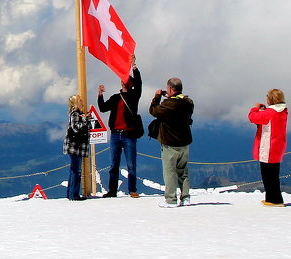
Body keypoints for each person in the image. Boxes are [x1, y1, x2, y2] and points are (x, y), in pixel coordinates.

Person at [97, 56, 143, 198]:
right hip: (116, 134)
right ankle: (112, 191)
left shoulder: (134, 95)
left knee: (131, 165)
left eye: (126, 80)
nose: (123, 81)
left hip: (128, 134)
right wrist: (100, 95)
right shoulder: (116, 97)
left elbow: (140, 83)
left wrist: (134, 66)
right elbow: (103, 108)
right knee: (114, 165)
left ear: (131, 84)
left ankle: (132, 190)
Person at [149, 76, 194, 206]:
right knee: (183, 171)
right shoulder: (188, 102)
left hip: (170, 144)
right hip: (185, 143)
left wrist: (157, 97)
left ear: (169, 88)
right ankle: (186, 197)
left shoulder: (168, 105)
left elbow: (153, 110)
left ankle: (171, 199)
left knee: (169, 172)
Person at [248, 89, 289, 206]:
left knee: (267, 174)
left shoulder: (269, 113)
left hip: (267, 146)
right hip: (278, 145)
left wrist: (255, 107)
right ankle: (274, 198)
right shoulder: (283, 111)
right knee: (274, 173)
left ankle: (273, 199)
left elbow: (252, 117)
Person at [62, 94, 91, 200]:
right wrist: (84, 120)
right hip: (75, 147)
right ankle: (74, 194)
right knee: (76, 170)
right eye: (80, 100)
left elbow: (87, 128)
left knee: (74, 170)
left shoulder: (80, 114)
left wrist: (86, 119)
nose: (82, 101)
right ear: (76, 103)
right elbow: (76, 129)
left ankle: (71, 194)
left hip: (78, 146)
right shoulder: (75, 114)